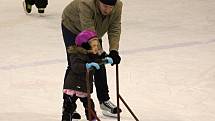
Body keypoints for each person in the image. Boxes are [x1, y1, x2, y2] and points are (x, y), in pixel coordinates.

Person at [61, 0, 122, 118]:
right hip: (73, 27)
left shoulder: (118, 6)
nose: (107, 10)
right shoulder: (86, 4)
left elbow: (114, 28)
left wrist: (114, 51)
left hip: (93, 33)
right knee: (75, 63)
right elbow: (88, 30)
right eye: (105, 6)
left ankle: (104, 101)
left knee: (99, 63)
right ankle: (68, 105)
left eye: (111, 7)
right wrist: (100, 52)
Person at [62, 29, 113, 121]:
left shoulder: (92, 55)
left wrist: (105, 60)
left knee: (89, 106)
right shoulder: (76, 54)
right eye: (94, 45)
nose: (96, 48)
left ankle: (92, 119)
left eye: (97, 45)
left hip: (84, 86)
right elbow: (76, 67)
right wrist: (86, 66)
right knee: (69, 106)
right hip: (73, 86)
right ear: (85, 46)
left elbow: (97, 61)